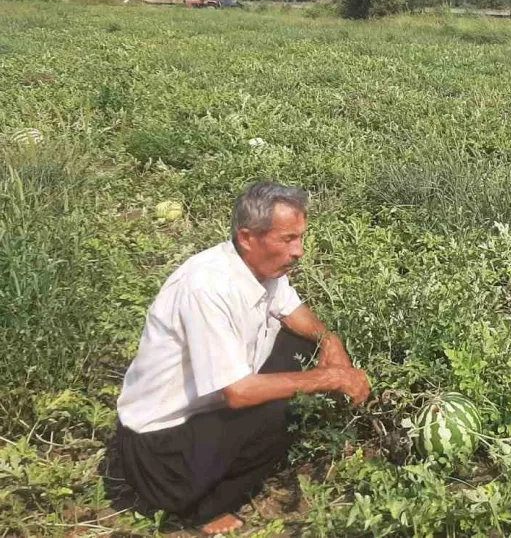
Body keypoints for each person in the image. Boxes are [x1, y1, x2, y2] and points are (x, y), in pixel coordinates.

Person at [113, 182, 371, 535]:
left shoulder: (258, 267)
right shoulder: (207, 287)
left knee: (303, 347)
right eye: (288, 239)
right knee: (284, 409)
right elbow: (237, 393)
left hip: (202, 414)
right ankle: (201, 507)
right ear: (248, 238)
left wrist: (330, 340)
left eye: (300, 238)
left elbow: (291, 309)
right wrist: (330, 378)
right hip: (161, 454)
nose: (300, 251)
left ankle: (221, 467)